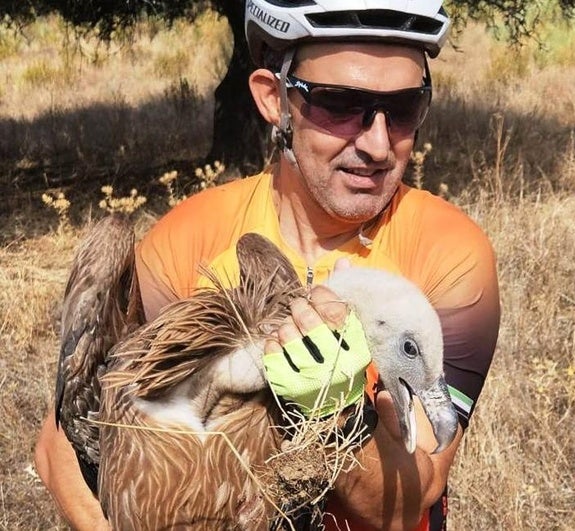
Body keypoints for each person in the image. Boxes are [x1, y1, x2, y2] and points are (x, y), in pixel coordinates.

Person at [34, 1, 501, 529]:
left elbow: (402, 507)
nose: (375, 143)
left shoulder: (446, 253)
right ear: (274, 99)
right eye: (339, 104)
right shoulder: (190, 242)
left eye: (404, 108)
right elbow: (66, 443)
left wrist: (332, 410)